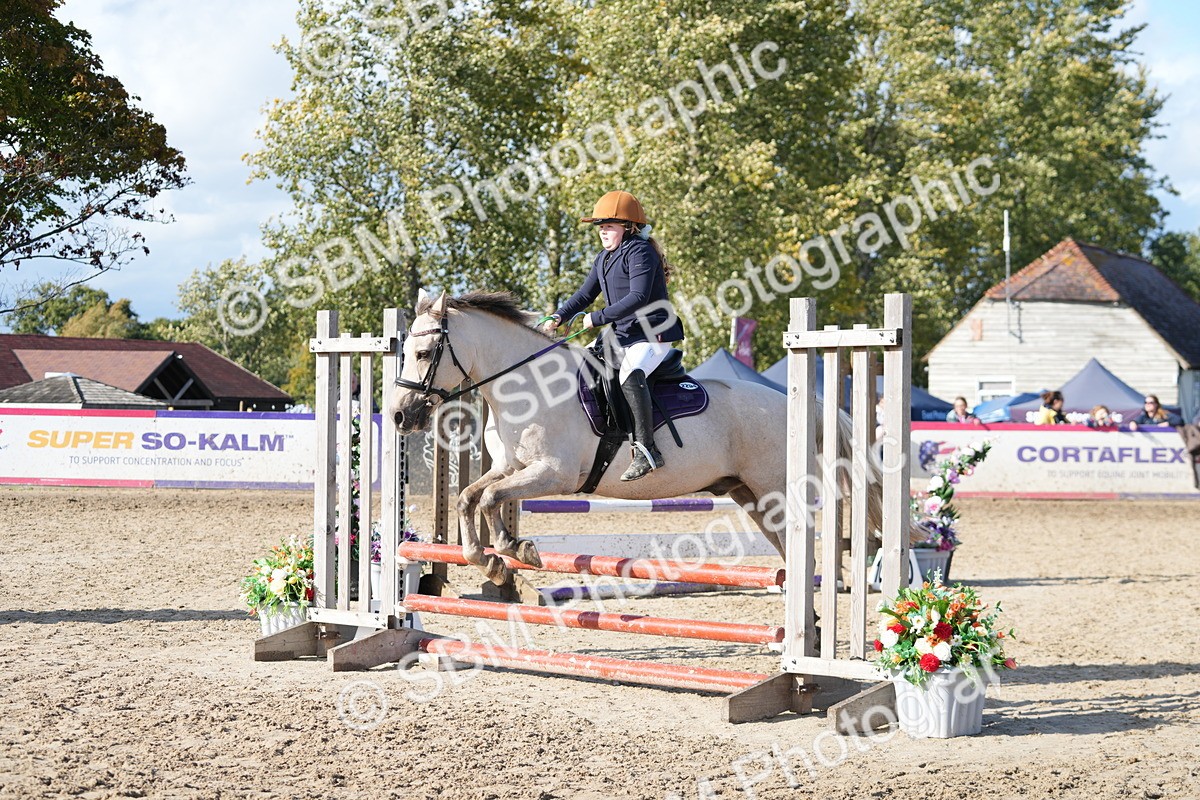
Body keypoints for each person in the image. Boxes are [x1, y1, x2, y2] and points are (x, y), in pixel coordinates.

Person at [544, 190, 684, 481]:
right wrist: (560, 315)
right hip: (623, 332)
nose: (602, 231)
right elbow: (585, 294)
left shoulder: (640, 252)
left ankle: (647, 450)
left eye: (609, 225)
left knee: (630, 375)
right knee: (584, 365)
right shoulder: (603, 258)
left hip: (652, 332)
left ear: (629, 227)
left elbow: (638, 296)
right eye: (600, 226)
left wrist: (597, 318)